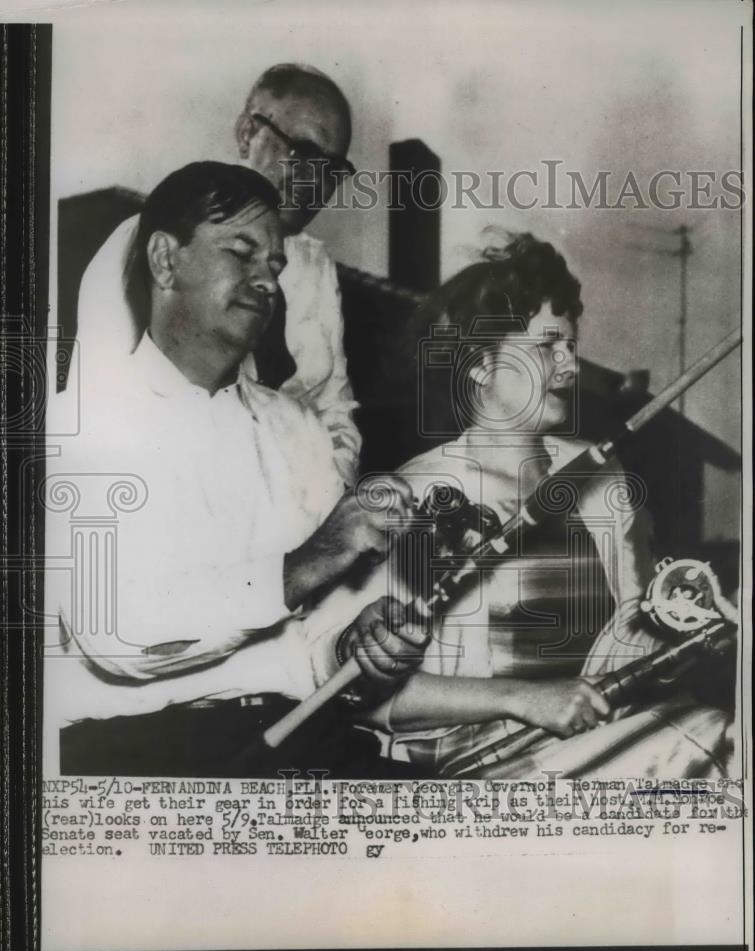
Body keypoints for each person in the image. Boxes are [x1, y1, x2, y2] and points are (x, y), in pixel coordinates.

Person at [45, 162, 421, 776]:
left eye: (274, 266)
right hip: (141, 758)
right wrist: (309, 562)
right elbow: (117, 634)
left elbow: (313, 640)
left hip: (291, 736)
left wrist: (357, 641)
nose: (266, 280)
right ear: (165, 261)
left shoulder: (296, 430)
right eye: (240, 252)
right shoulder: (82, 424)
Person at [322, 234, 735, 778]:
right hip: (479, 765)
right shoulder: (414, 494)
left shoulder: (601, 476)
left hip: (610, 736)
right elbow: (368, 695)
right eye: (546, 345)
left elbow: (628, 637)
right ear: (480, 365)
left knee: (722, 725)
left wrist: (704, 617)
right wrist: (524, 698)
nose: (568, 364)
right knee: (711, 739)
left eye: (570, 344)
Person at [74, 64, 361, 484]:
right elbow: (106, 413)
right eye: (305, 155)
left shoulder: (317, 268)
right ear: (247, 133)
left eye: (332, 170)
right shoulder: (151, 243)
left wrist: (328, 512)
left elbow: (335, 411)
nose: (316, 183)